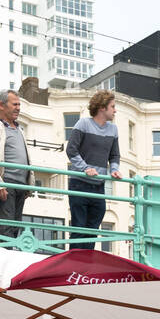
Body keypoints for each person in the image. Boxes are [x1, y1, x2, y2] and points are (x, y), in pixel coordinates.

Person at [65, 89, 121, 250]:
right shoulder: (83, 124)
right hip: (79, 183)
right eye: (113, 106)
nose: (115, 110)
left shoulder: (113, 130)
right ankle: (74, 265)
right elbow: (71, 150)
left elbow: (115, 155)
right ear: (102, 108)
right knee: (79, 228)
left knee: (92, 230)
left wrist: (114, 169)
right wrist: (85, 168)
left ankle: (85, 267)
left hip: (99, 187)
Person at [0, 88, 35, 239]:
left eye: (19, 104)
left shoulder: (20, 130)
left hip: (21, 186)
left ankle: (11, 260)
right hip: (6, 185)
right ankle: (4, 260)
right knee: (6, 231)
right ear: (2, 105)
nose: (18, 108)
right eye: (14, 104)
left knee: (15, 230)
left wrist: (28, 186)